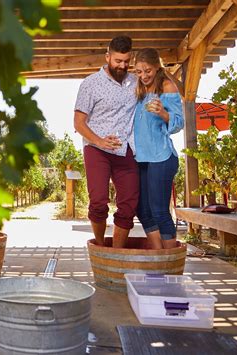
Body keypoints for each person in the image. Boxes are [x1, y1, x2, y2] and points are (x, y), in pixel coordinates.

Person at [74, 36, 139, 248]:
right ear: (107, 57)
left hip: (125, 149)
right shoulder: (90, 84)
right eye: (117, 61)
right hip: (96, 149)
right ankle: (101, 248)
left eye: (126, 61)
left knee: (129, 203)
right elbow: (78, 123)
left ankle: (117, 252)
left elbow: (160, 80)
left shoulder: (135, 82)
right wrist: (100, 141)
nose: (122, 66)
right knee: (99, 201)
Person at [133, 48, 184, 249]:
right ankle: (158, 255)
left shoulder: (167, 87)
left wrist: (163, 113)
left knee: (159, 211)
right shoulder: (138, 89)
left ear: (157, 67)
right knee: (142, 209)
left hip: (161, 156)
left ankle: (170, 261)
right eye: (138, 71)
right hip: (141, 158)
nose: (143, 76)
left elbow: (179, 123)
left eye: (148, 71)